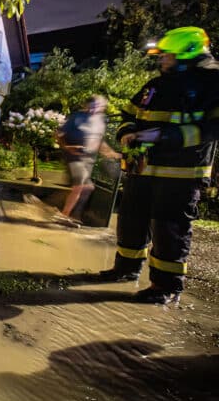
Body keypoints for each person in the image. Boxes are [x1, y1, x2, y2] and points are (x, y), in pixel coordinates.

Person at [97, 27, 219, 303]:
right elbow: (129, 112)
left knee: (169, 229)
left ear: (186, 54)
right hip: (142, 168)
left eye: (167, 55)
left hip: (181, 172)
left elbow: (213, 128)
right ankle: (125, 269)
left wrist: (167, 137)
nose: (162, 60)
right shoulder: (156, 84)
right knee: (131, 221)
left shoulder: (212, 83)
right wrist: (127, 132)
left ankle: (165, 288)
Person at [55, 95, 110, 223]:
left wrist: (111, 153)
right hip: (74, 156)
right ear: (86, 105)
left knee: (88, 188)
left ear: (102, 107)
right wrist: (67, 147)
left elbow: (99, 140)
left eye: (97, 106)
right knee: (79, 186)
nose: (94, 109)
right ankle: (64, 215)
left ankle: (69, 211)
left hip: (88, 159)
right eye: (92, 105)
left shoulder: (100, 121)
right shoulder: (76, 117)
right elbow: (59, 134)